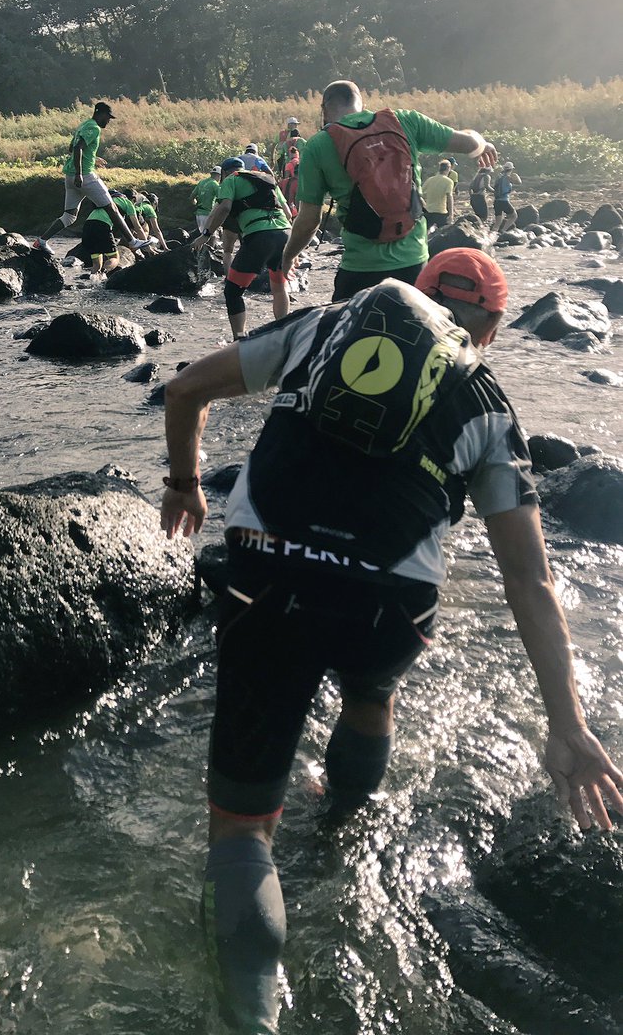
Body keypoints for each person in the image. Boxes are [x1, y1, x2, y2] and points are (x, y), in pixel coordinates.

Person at [160, 248, 623, 1034]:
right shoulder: (488, 403)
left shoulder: (322, 326)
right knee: (373, 693)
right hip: (390, 609)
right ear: (492, 328)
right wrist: (566, 723)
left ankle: (249, 1015)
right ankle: (344, 823)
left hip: (268, 576)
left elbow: (184, 389)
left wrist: (183, 483)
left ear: (413, 291)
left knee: (242, 829)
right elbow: (529, 578)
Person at [282, 79, 497, 302]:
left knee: (342, 324)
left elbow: (309, 220)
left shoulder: (318, 145)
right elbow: (470, 143)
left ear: (324, 110)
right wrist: (483, 144)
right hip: (414, 264)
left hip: (360, 268)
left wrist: (288, 257)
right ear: (362, 105)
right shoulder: (405, 121)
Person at [202, 156, 292, 340]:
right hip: (285, 234)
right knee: (279, 287)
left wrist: (206, 234)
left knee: (232, 292)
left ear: (224, 173)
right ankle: (283, 334)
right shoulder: (267, 179)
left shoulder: (231, 180)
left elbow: (224, 208)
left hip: (260, 236)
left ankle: (240, 339)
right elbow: (288, 213)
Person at [39, 102, 142, 254]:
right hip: (85, 176)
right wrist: (80, 173)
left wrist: (93, 159)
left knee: (69, 216)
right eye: (108, 117)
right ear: (101, 114)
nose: (108, 121)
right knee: (112, 207)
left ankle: (42, 241)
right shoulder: (94, 128)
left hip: (70, 176)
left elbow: (71, 148)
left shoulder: (83, 125)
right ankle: (133, 241)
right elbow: (77, 148)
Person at [420, 159, 456, 229]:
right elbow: (449, 197)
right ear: (448, 169)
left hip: (429, 212)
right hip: (441, 212)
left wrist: (424, 205)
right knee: (444, 233)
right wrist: (451, 214)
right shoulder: (449, 181)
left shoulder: (430, 180)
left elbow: (419, 194)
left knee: (426, 232)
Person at [493, 161, 522, 234]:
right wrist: (516, 175)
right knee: (514, 216)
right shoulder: (508, 177)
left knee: (497, 222)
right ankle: (503, 231)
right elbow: (519, 182)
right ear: (511, 169)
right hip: (504, 201)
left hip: (496, 200)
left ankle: (493, 234)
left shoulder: (499, 177)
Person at [191, 166, 222, 235]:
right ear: (219, 175)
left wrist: (194, 202)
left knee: (203, 235)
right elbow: (221, 199)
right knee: (211, 236)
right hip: (208, 215)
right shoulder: (215, 184)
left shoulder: (201, 182)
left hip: (198, 215)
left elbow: (192, 196)